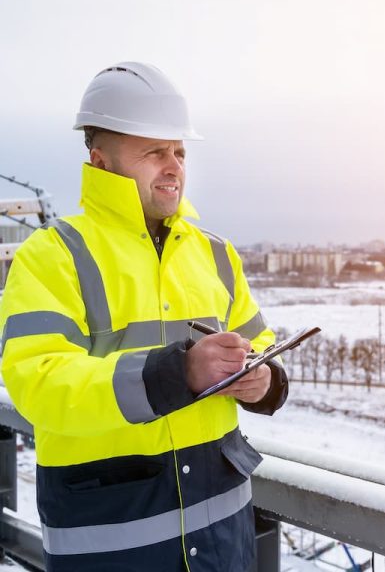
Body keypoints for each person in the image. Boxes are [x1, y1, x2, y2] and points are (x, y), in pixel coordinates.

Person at [0, 62, 288, 572]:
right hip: (110, 545)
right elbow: (39, 383)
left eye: (178, 151)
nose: (173, 164)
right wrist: (179, 372)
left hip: (223, 539)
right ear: (101, 161)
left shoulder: (216, 254)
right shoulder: (52, 255)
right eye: (154, 151)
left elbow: (257, 342)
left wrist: (262, 378)